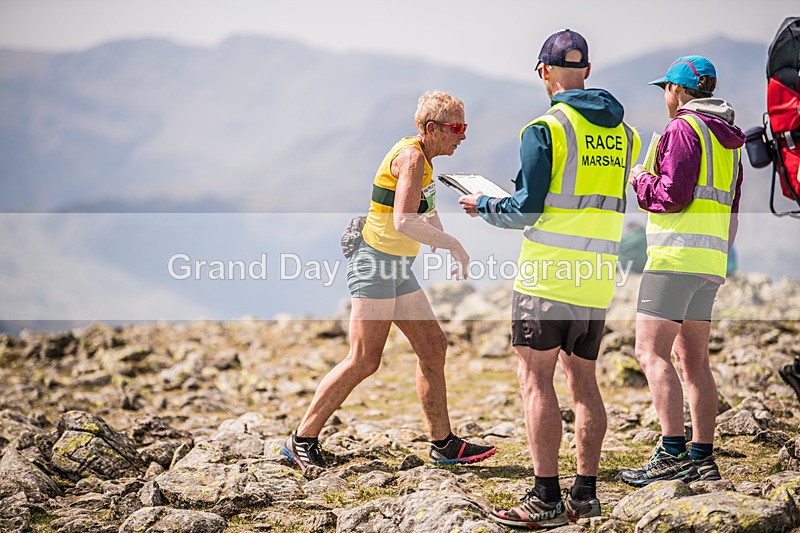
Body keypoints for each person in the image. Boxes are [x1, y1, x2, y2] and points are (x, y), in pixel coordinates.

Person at [459, 30, 640, 529]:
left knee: (535, 381)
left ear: (544, 71)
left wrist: (484, 205)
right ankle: (585, 494)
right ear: (586, 71)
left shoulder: (546, 128)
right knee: (584, 381)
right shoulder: (626, 135)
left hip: (547, 279)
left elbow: (526, 209)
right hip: (597, 279)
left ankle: (544, 499)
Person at [281, 91, 496, 472]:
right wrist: (453, 244)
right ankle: (301, 440)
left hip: (395, 266)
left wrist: (438, 232)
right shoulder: (412, 157)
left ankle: (443, 444)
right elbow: (402, 220)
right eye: (456, 128)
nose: (463, 136)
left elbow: (422, 207)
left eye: (465, 127)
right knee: (364, 359)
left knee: (433, 345)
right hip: (375, 263)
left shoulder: (424, 157)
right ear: (431, 129)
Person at [619, 56, 745, 486]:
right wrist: (718, 259)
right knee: (693, 361)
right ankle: (703, 457)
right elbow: (731, 210)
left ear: (678, 90)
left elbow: (671, 195)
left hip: (673, 259)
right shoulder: (730, 141)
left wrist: (639, 178)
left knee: (650, 353)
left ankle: (672, 451)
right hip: (711, 262)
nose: (665, 99)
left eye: (665, 90)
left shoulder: (682, 129)